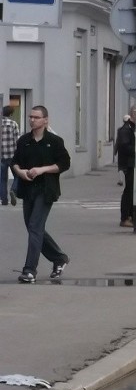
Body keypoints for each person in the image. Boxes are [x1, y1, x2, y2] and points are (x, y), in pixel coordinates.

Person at [10, 105, 71, 283]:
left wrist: (42, 169)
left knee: (35, 227)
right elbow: (15, 162)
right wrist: (20, 172)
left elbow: (64, 163)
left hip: (46, 189)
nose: (32, 120)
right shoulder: (24, 141)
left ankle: (29, 271)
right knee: (33, 228)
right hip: (28, 189)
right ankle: (59, 258)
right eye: (30, 117)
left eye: (36, 117)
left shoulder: (54, 141)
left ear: (45, 120)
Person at [114, 107, 136, 227]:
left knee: (133, 190)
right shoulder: (125, 129)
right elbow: (124, 146)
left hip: (133, 163)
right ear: (134, 114)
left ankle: (132, 215)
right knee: (129, 190)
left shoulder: (133, 128)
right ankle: (125, 217)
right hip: (129, 164)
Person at [1, 105, 20, 206]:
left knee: (2, 179)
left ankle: (4, 200)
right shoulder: (13, 124)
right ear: (11, 114)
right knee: (18, 175)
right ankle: (13, 190)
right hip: (13, 155)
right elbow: (18, 140)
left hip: (1, 156)